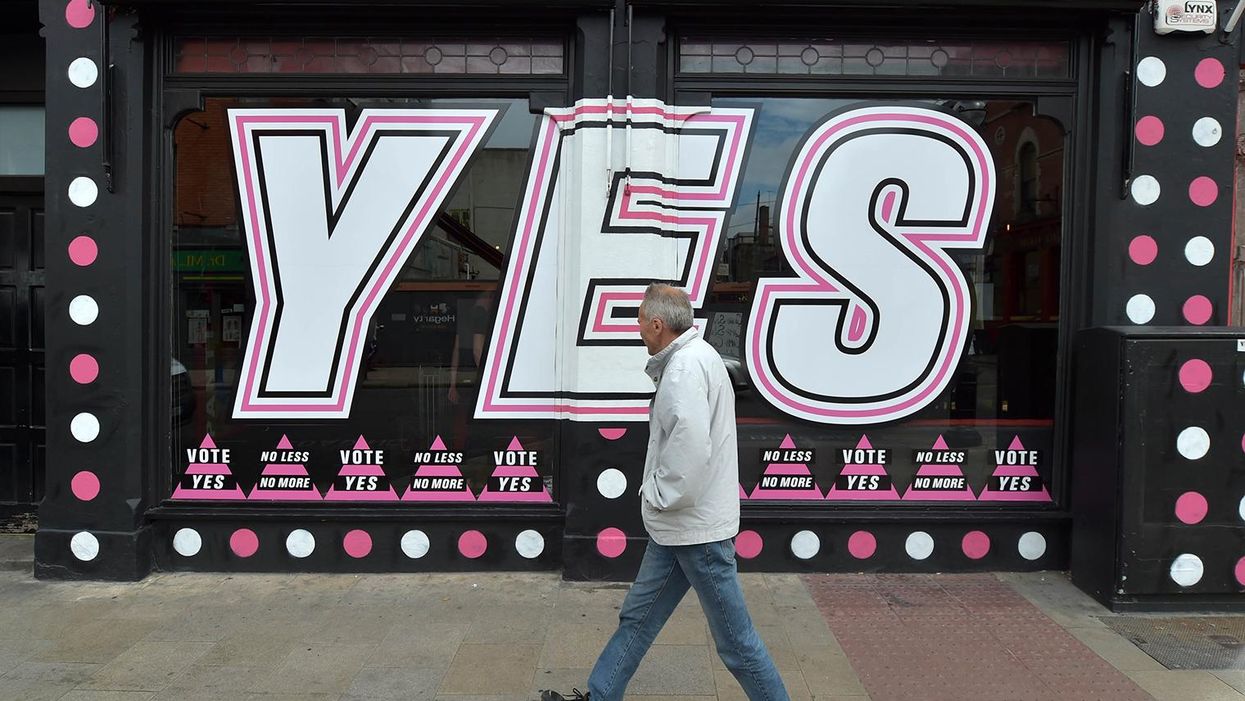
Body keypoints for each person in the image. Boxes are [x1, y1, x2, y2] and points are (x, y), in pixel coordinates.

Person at [543, 283, 789, 701]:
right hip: (681, 530)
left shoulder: (682, 371)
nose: (637, 329)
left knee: (736, 643)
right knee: (637, 618)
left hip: (698, 534)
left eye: (640, 321)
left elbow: (689, 452)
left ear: (657, 324)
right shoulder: (697, 357)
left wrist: (656, 495)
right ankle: (601, 695)